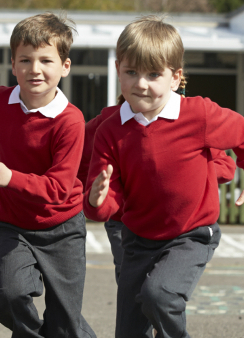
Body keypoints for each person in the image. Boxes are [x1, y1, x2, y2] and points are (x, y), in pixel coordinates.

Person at [83, 15, 244, 338]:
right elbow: (104, 206)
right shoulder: (110, 130)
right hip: (138, 238)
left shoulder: (198, 114)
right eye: (131, 72)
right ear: (118, 71)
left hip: (191, 234)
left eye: (153, 74)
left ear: (175, 77)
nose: (141, 83)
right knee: (129, 329)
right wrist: (97, 198)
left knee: (160, 295)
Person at [0, 12, 96, 338]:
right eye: (25, 60)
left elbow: (60, 187)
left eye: (46, 60)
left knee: (65, 323)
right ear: (13, 64)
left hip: (63, 227)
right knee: (11, 296)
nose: (35, 69)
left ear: (64, 67)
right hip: (14, 225)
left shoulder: (70, 121)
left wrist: (11, 178)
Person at [77, 82, 236, 284]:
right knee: (133, 289)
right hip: (124, 221)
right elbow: (77, 157)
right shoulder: (108, 122)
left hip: (174, 222)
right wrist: (92, 190)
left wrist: (184, 170)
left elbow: (226, 165)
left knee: (160, 292)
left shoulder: (190, 121)